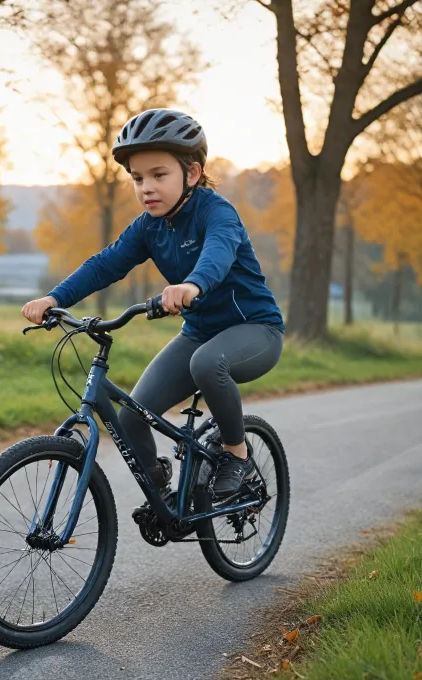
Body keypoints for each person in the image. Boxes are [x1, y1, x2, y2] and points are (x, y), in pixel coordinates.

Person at [22, 108, 284, 500]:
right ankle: (160, 493)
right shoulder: (149, 226)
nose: (146, 187)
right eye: (138, 178)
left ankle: (237, 453)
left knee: (209, 363)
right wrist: (54, 297)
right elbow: (104, 264)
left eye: (159, 175)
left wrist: (193, 284)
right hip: (199, 334)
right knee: (130, 418)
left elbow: (218, 254)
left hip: (255, 330)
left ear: (191, 174)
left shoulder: (217, 213)